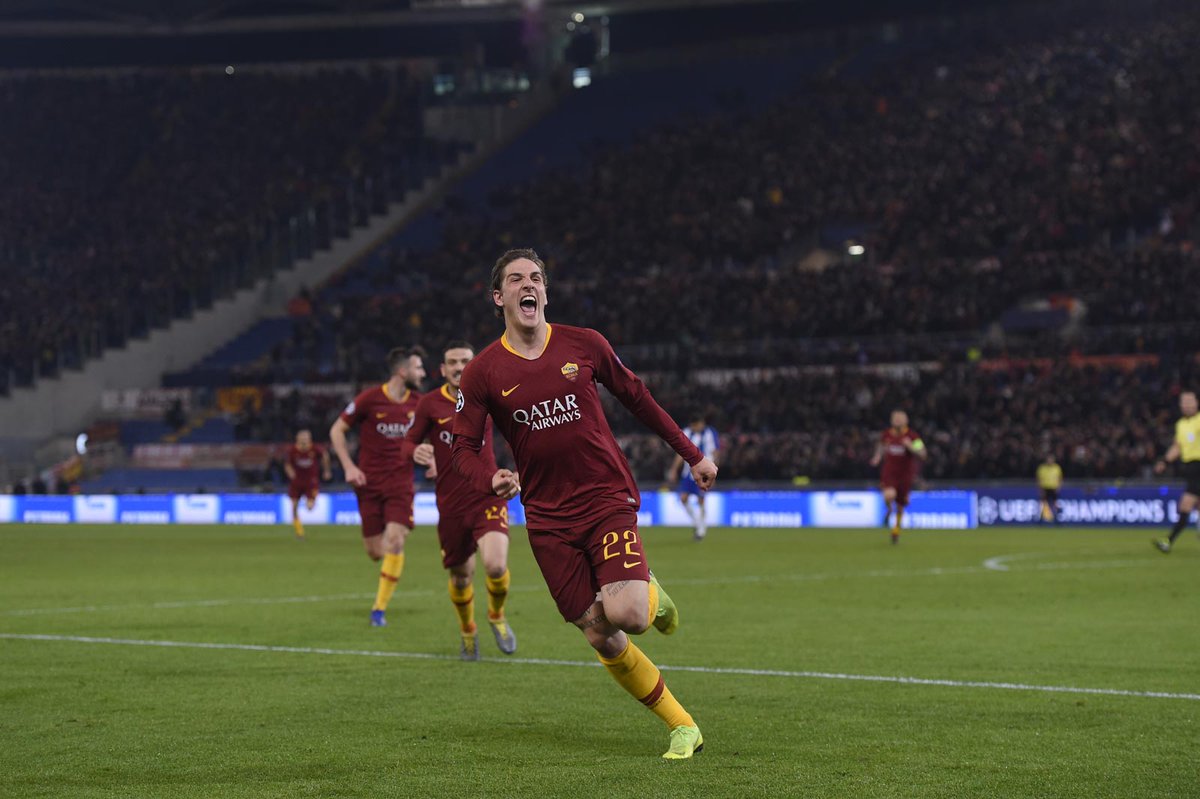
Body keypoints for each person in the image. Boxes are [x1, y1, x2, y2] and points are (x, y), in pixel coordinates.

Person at [451, 249, 718, 760]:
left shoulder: (584, 344)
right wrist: (492, 479)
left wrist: (692, 454)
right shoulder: (483, 372)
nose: (527, 286)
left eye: (535, 278)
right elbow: (462, 448)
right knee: (599, 631)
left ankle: (651, 595)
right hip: (548, 518)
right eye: (515, 279)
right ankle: (683, 726)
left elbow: (637, 396)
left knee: (630, 616)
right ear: (498, 297)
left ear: (545, 292)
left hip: (604, 497)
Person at [406, 340, 517, 660]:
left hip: (487, 494)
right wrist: (416, 451)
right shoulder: (429, 404)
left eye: (465, 361)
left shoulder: (489, 396)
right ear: (442, 370)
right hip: (451, 505)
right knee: (460, 575)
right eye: (452, 362)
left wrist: (520, 471)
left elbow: (519, 430)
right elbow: (408, 442)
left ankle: (496, 616)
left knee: (496, 566)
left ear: (475, 364)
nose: (458, 367)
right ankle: (468, 631)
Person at [330, 346, 426, 626]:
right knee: (375, 552)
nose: (422, 373)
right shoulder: (370, 399)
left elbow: (430, 437)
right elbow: (336, 430)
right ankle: (392, 562)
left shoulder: (420, 404)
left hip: (401, 485)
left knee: (394, 541)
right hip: (368, 485)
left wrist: (431, 457)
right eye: (418, 368)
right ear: (402, 371)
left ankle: (378, 610)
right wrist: (349, 467)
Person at [869, 409, 927, 544]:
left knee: (901, 505)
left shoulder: (913, 437)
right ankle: (889, 510)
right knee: (889, 495)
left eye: (900, 418)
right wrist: (877, 457)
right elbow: (881, 446)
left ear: (906, 420)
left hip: (905, 475)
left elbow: (923, 453)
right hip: (889, 473)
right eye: (895, 418)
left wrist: (910, 447)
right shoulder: (887, 435)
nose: (897, 420)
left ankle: (896, 530)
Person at [1152, 390, 1200, 553]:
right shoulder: (1181, 424)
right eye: (1184, 402)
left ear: (1196, 403)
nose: (1187, 405)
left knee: (1186, 504)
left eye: (1190, 401)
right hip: (1190, 469)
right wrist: (1164, 461)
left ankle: (1168, 541)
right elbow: (1177, 447)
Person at [666, 413, 720, 540]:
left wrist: (713, 472)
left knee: (701, 500)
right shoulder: (686, 432)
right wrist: (674, 469)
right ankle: (696, 522)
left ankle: (701, 530)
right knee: (683, 498)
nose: (695, 427)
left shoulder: (709, 433)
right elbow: (680, 453)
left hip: (704, 472)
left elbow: (715, 452)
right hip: (688, 472)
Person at [283, 428, 332, 539]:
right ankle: (299, 532)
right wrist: (290, 473)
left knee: (310, 507)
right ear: (297, 439)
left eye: (306, 438)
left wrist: (326, 470)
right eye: (302, 438)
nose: (305, 441)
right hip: (297, 482)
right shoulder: (292, 451)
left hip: (311, 481)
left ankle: (312, 499)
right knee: (294, 507)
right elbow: (287, 464)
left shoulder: (315, 449)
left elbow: (325, 456)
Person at [1036, 453, 1062, 525]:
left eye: (1051, 459)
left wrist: (1058, 487)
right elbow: (1039, 479)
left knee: (1055, 504)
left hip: (1053, 488)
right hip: (1045, 488)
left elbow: (1060, 478)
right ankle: (1040, 519)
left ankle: (1057, 519)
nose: (1050, 461)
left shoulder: (1057, 468)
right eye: (1048, 459)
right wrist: (1041, 489)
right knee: (1043, 504)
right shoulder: (1042, 468)